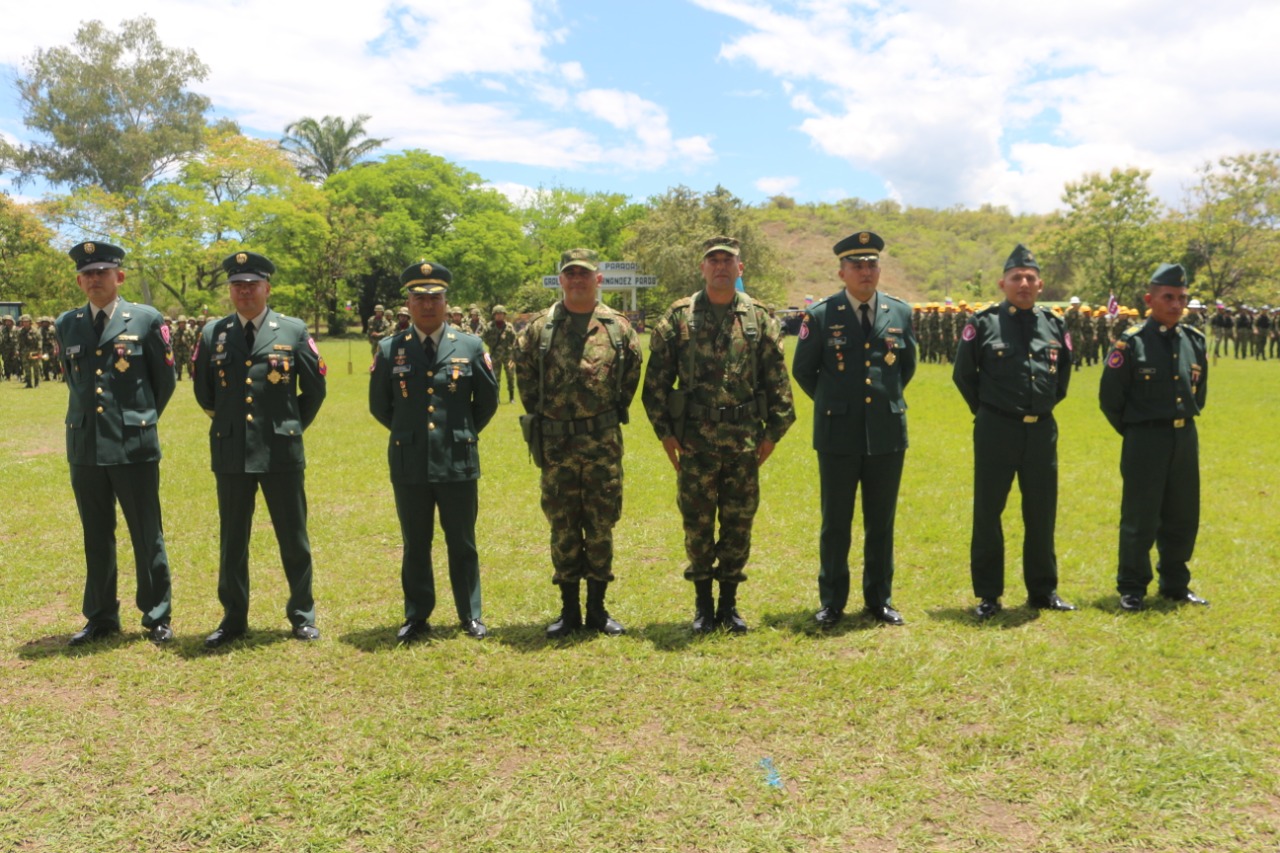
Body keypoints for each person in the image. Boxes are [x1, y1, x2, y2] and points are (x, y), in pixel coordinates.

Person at [642, 236, 795, 633]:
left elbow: (778, 381)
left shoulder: (759, 317)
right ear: (703, 269)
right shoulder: (678, 317)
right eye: (714, 260)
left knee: (738, 524)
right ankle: (702, 608)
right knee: (697, 525)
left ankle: (729, 605)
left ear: (740, 269)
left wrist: (773, 433)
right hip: (695, 442)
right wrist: (666, 434)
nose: (721, 266)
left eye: (729, 260)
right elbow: (655, 383)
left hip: (744, 441)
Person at [193, 251, 327, 647]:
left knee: (293, 536)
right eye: (237, 284)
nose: (245, 290)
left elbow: (315, 390)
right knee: (233, 538)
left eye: (252, 284)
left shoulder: (293, 330)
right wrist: (232, 424)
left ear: (267, 288)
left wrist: (289, 426)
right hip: (232, 451)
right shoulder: (212, 334)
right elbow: (204, 391)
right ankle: (234, 617)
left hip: (281, 451)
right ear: (230, 290)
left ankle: (302, 615)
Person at [515, 249, 642, 638]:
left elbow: (629, 379)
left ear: (598, 278)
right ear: (561, 279)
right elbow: (526, 382)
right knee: (563, 527)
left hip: (602, 443)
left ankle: (598, 610)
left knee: (601, 525)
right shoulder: (539, 329)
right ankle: (569, 610)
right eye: (569, 274)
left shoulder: (618, 327)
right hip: (557, 447)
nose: (577, 280)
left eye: (584, 274)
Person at [791, 231, 916, 627]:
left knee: (881, 522)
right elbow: (804, 370)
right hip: (838, 436)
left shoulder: (900, 312)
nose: (866, 271)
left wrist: (883, 402)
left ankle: (879, 599)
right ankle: (832, 601)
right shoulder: (822, 315)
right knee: (836, 522)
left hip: (886, 435)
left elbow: (905, 367)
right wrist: (835, 404)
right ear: (841, 271)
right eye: (857, 265)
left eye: (872, 264)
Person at [370, 261, 499, 641]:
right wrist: (410, 432)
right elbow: (381, 405)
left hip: (457, 459)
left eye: (435, 298)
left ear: (446, 302)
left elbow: (486, 403)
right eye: (419, 298)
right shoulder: (390, 347)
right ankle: (417, 615)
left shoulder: (471, 345)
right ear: (408, 303)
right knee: (415, 543)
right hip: (410, 460)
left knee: (462, 541)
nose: (428, 305)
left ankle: (470, 613)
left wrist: (460, 432)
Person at [55, 241, 176, 645]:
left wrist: (137, 421)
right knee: (96, 533)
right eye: (87, 273)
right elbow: (76, 383)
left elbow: (164, 382)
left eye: (102, 272)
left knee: (146, 532)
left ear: (118, 276)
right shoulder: (66, 324)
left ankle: (157, 614)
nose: (94, 279)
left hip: (133, 445)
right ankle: (101, 616)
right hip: (85, 446)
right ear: (79, 280)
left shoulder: (144, 319)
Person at [952, 244, 1076, 620]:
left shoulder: (1054, 324)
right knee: (989, 511)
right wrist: (990, 411)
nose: (1023, 283)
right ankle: (989, 594)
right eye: (1016, 278)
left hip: (1041, 432)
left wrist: (1040, 407)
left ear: (1040, 285)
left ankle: (1043, 590)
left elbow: (1063, 379)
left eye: (1030, 278)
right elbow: (963, 375)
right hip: (996, 430)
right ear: (1002, 283)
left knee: (1041, 512)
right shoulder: (984, 322)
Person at [1100, 263, 1209, 612]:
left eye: (1182, 298)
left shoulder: (1194, 341)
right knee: (1140, 516)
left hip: (1184, 438)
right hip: (1145, 440)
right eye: (1168, 297)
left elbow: (1199, 394)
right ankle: (1132, 586)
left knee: (1183, 514)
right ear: (1150, 299)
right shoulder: (1131, 343)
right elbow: (1110, 399)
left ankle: (1175, 584)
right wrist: (1137, 430)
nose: (1177, 305)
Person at [482, 304, 518, 403]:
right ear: (494, 315)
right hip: (494, 356)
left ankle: (511, 397)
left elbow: (514, 339)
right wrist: (492, 345)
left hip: (508, 355)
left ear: (504, 315)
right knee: (495, 377)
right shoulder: (489, 326)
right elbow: (484, 337)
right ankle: (496, 398)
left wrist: (511, 348)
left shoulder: (509, 326)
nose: (499, 316)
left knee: (510, 376)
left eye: (501, 314)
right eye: (497, 314)